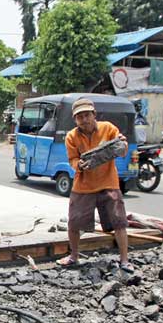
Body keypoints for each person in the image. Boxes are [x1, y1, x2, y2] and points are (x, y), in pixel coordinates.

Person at [56, 98, 133, 273]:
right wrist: (79, 165)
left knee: (119, 222)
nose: (84, 120)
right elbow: (72, 159)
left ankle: (125, 260)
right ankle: (74, 256)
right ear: (75, 119)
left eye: (86, 115)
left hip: (108, 183)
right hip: (83, 185)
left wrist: (123, 143)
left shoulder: (108, 128)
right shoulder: (71, 136)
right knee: (74, 223)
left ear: (94, 115)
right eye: (79, 117)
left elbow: (122, 149)